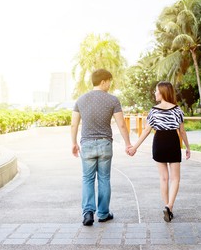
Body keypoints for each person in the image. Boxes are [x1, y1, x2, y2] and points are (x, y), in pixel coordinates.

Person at [71, 68, 132, 226]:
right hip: (105, 143)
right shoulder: (112, 100)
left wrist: (73, 143)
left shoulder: (81, 100)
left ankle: (88, 213)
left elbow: (74, 124)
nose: (110, 84)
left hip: (87, 144)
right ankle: (104, 213)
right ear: (103, 81)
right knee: (104, 178)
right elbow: (122, 125)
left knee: (87, 179)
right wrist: (128, 144)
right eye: (109, 81)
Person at [128, 81, 190, 222]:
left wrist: (134, 147)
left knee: (163, 178)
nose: (154, 93)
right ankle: (170, 206)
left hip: (159, 142)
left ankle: (166, 206)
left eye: (156, 91)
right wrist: (187, 147)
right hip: (173, 142)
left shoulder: (154, 110)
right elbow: (182, 131)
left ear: (162, 92)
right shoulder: (177, 110)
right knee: (175, 178)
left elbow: (146, 130)